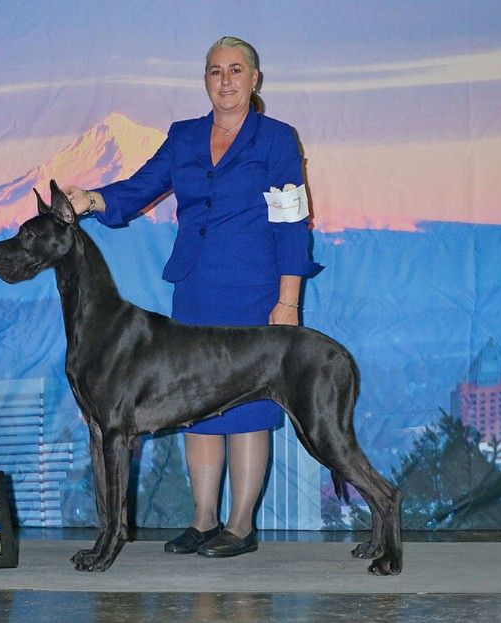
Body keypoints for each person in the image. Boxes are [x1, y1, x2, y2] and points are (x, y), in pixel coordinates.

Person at [64, 36, 319, 558]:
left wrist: (288, 301)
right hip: (195, 287)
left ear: (254, 79)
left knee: (247, 409)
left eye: (235, 70)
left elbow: (292, 222)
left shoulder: (276, 139)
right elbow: (140, 186)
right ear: (205, 79)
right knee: (195, 405)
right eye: (215, 71)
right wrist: (91, 199)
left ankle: (240, 527)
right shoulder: (183, 136)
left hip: (255, 292)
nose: (225, 80)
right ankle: (203, 521)